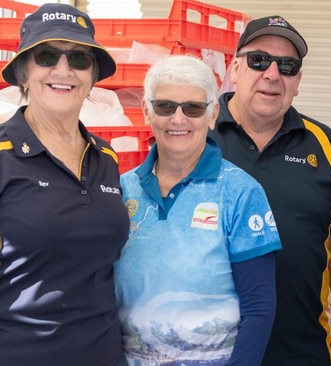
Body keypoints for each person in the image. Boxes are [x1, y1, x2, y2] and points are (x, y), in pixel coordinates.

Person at [207, 15, 331, 366]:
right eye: (259, 60)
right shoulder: (198, 137)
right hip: (206, 350)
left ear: (298, 81)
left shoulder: (324, 145)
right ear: (234, 69)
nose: (272, 74)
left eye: (287, 65)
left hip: (301, 350)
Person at [114, 55, 282, 365]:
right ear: (146, 110)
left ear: (212, 113)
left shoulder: (240, 193)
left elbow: (259, 308)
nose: (178, 120)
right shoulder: (120, 191)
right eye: (165, 106)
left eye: (192, 108)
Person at [0, 3, 129, 365]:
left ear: (91, 76)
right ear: (24, 71)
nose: (63, 70)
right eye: (46, 56)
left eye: (79, 59)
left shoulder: (107, 158)